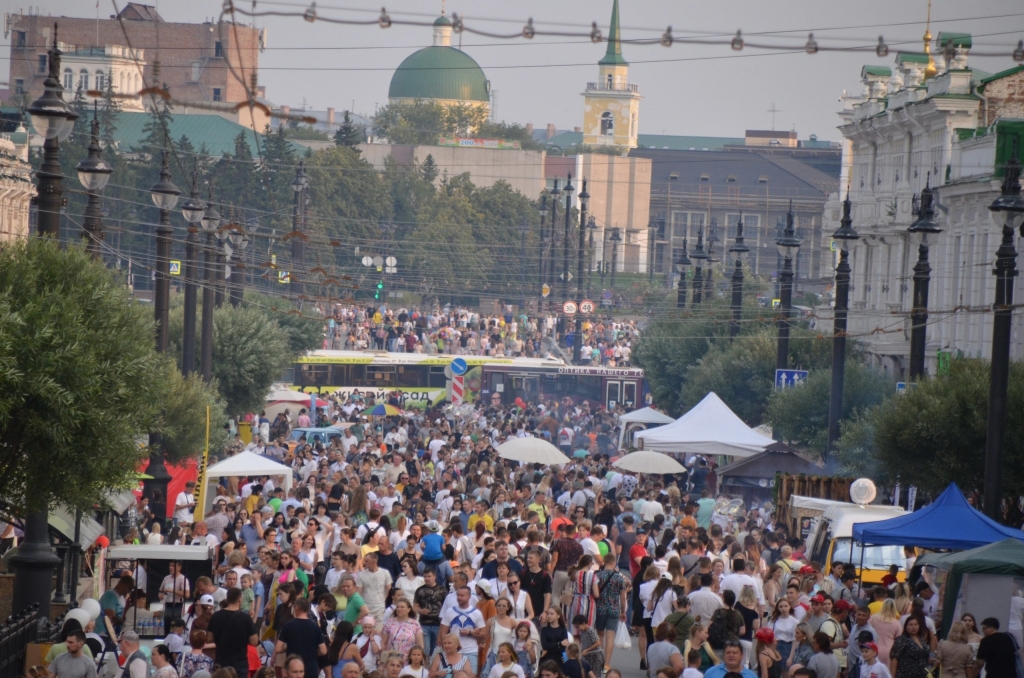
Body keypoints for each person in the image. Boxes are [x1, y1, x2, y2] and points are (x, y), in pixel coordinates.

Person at [206, 588, 258, 678]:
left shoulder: (216, 616)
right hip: (239, 663)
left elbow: (209, 638)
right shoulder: (245, 618)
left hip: (221, 663)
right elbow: (254, 641)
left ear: (227, 598)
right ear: (240, 599)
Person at [439, 587, 487, 676]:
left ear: (469, 596)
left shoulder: (476, 613)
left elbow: (484, 634)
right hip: (454, 651)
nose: (459, 598)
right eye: (458, 595)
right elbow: (443, 632)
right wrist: (445, 648)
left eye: (462, 595)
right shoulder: (450, 611)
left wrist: (470, 633)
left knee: (471, 676)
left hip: (471, 650)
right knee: (451, 675)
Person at [275, 598, 327, 678]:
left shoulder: (288, 626)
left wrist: (288, 646)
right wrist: (313, 652)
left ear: (296, 608)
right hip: (311, 668)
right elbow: (323, 651)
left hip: (293, 668)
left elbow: (278, 649)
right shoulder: (315, 626)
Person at [413, 568, 447, 656]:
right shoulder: (419, 590)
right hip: (424, 624)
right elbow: (415, 607)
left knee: (437, 650)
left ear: (434, 577)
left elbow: (446, 607)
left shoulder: (442, 590)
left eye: (429, 576)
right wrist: (421, 611)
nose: (427, 578)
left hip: (438, 624)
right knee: (425, 650)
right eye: (425, 576)